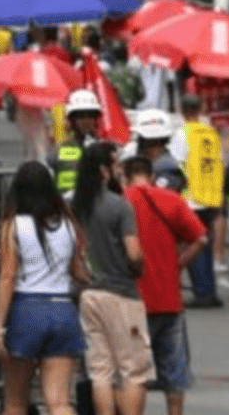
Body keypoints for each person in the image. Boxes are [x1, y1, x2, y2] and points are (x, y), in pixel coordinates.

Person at [0, 161, 89, 415]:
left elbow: (8, 276)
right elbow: (78, 272)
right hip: (63, 311)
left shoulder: (12, 226)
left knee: (15, 402)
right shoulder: (68, 225)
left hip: (27, 310)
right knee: (59, 402)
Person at [122, 156, 207, 415]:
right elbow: (201, 238)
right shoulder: (171, 199)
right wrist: (179, 264)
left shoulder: (120, 202)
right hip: (170, 299)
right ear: (150, 174)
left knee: (135, 374)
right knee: (174, 375)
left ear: (125, 176)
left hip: (132, 299)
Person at [71, 144, 152, 415]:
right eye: (115, 166)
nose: (119, 171)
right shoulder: (119, 206)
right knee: (132, 369)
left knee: (101, 369)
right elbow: (133, 252)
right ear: (104, 171)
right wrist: (139, 266)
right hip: (120, 292)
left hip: (88, 293)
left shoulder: (75, 204)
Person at [169, 94, 225, 307]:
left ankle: (203, 293)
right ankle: (209, 290)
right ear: (200, 109)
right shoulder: (211, 133)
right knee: (206, 245)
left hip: (191, 198)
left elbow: (175, 165)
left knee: (193, 246)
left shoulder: (182, 134)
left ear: (182, 111)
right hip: (210, 197)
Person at [49, 90, 102, 194]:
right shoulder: (60, 149)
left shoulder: (101, 148)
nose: (86, 121)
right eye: (81, 116)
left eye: (90, 116)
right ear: (71, 120)